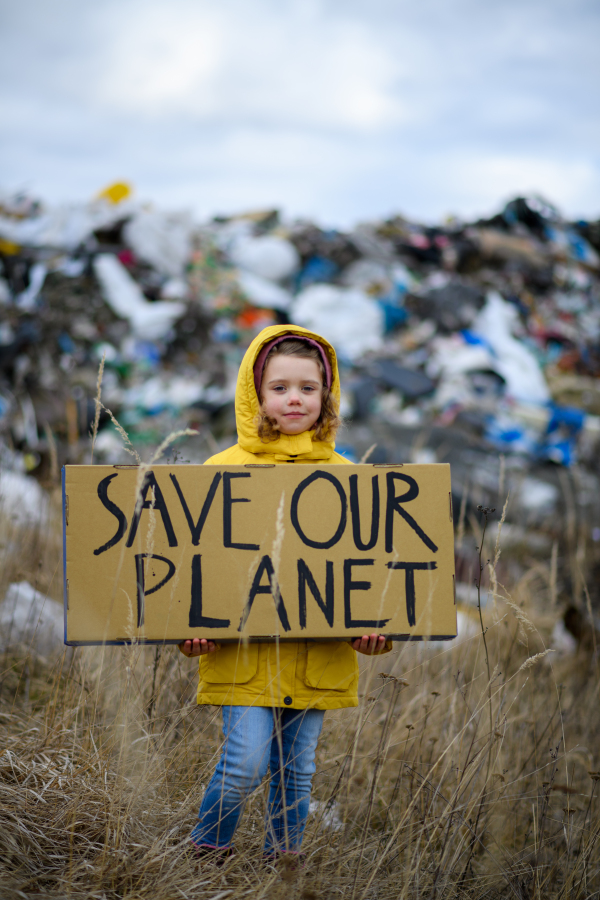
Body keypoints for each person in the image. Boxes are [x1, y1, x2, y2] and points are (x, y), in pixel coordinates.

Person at [179, 324, 391, 862]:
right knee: (244, 764)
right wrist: (187, 630)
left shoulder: (349, 477)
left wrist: (375, 634)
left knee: (296, 774)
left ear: (327, 396)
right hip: (241, 659)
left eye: (308, 388)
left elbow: (370, 575)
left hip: (318, 658)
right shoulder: (220, 472)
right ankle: (209, 849)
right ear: (256, 394)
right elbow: (194, 570)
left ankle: (284, 863)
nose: (294, 398)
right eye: (279, 388)